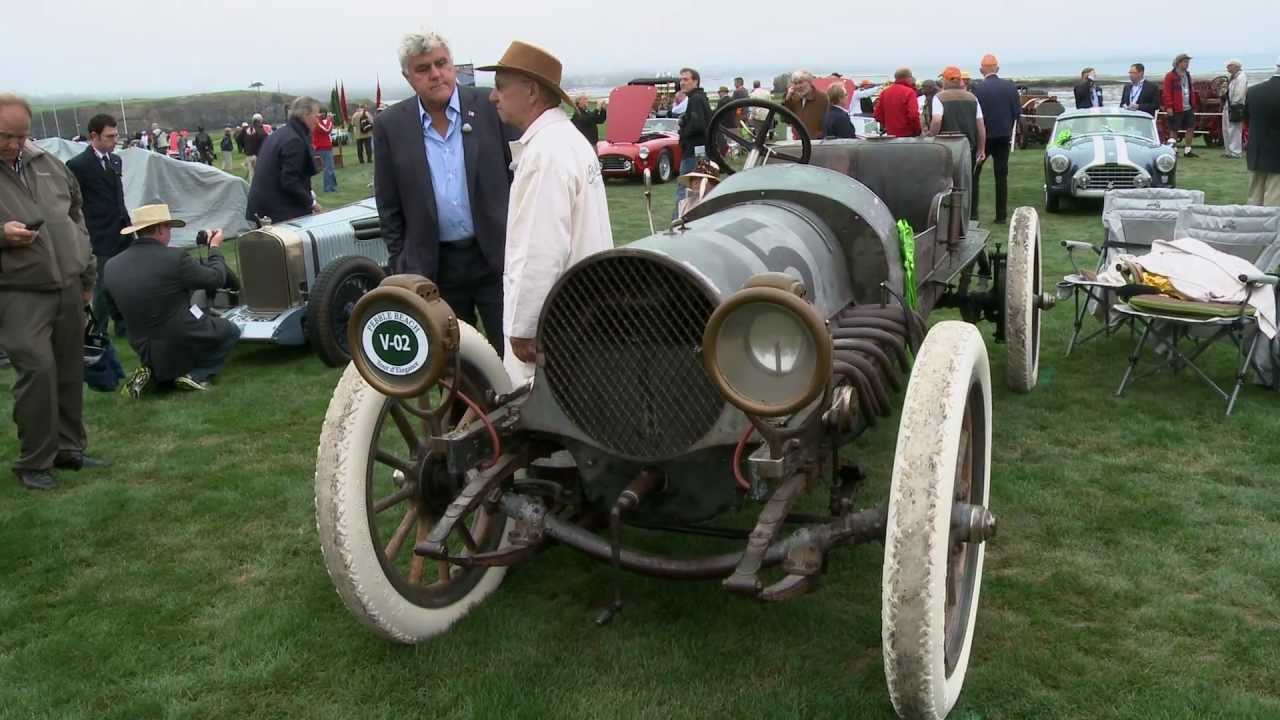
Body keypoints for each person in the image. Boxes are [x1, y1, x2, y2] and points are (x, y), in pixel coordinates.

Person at [481, 41, 612, 384]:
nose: (493, 97)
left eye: (500, 87)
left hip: (555, 325)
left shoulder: (544, 154)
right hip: (582, 313)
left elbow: (540, 249)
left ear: (531, 91)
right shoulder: (567, 140)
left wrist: (524, 328)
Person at [374, 30, 513, 353]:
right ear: (408, 77)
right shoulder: (391, 125)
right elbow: (388, 204)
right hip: (434, 268)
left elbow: (519, 176)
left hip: (496, 258)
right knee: (452, 367)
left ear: (453, 65)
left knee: (513, 359)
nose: (436, 74)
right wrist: (402, 262)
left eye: (442, 63)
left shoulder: (490, 106)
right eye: (423, 68)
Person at [0, 93, 107, 491]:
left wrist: (85, 275)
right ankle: (34, 459)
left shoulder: (47, 163)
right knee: (37, 371)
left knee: (68, 369)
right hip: (17, 290)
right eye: (4, 136)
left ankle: (69, 449)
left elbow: (75, 215)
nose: (13, 144)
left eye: (20, 135)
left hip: (68, 284)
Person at [105, 204, 240, 394]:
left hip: (141, 342)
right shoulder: (175, 257)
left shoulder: (111, 265)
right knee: (230, 330)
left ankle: (153, 373)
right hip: (179, 335)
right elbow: (215, 278)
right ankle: (198, 375)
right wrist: (215, 249)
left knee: (180, 330)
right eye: (169, 227)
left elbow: (116, 313)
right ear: (161, 228)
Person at [66, 113, 131, 338]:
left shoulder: (116, 160)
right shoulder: (77, 165)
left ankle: (122, 324)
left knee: (123, 282)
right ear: (94, 136)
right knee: (103, 285)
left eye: (116, 135)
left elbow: (118, 197)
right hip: (99, 235)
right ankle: (99, 331)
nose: (115, 141)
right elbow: (73, 203)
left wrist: (129, 225)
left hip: (123, 231)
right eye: (110, 136)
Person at [246, 97, 321, 225]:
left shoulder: (279, 134)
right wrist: (312, 203)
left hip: (263, 207)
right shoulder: (294, 140)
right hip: (278, 210)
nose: (318, 120)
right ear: (305, 115)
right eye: (316, 115)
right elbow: (290, 180)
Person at [971, 54, 1021, 224]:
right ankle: (1001, 216)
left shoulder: (978, 89)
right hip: (1003, 136)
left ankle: (973, 214)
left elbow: (975, 116)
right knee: (1001, 176)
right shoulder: (1010, 87)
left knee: (974, 174)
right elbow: (1016, 112)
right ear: (997, 69)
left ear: (981, 70)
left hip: (983, 138)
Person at [933, 67, 987, 171]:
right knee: (969, 181)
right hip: (968, 146)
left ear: (946, 80)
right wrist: (981, 149)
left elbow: (936, 120)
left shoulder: (939, 97)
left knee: (947, 181)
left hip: (945, 146)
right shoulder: (972, 98)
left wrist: (932, 138)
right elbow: (980, 125)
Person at [674, 67, 712, 214]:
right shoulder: (700, 97)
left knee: (685, 188)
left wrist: (683, 131)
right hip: (701, 151)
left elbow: (698, 125)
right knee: (700, 187)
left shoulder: (695, 99)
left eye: (686, 79)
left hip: (693, 152)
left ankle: (678, 220)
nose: (682, 82)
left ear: (695, 81)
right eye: (681, 79)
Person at [1245, 58, 1280, 206]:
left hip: (1256, 150)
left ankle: (1252, 227)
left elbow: (1246, 117)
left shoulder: (1253, 91)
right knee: (1274, 198)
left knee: (1254, 197)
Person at [1163, 54, 1199, 157]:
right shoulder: (1170, 76)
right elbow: (1166, 92)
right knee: (1174, 129)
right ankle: (1173, 149)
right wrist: (1169, 106)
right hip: (1176, 107)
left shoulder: (1187, 75)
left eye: (1188, 62)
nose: (1187, 64)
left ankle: (1188, 149)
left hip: (1188, 106)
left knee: (1190, 127)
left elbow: (1190, 89)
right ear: (1178, 63)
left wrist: (1194, 103)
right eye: (1185, 62)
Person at [873, 68, 922, 137]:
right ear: (907, 78)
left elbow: (877, 115)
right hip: (908, 135)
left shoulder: (885, 92)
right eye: (911, 77)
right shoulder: (909, 92)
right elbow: (913, 115)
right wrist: (918, 130)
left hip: (891, 135)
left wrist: (886, 126)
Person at [783, 69, 829, 140]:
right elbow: (786, 119)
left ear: (810, 82)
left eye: (801, 82)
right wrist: (787, 100)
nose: (798, 86)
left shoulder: (823, 98)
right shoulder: (794, 98)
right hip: (798, 142)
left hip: (817, 143)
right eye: (795, 83)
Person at [1223, 59, 1248, 159]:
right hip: (1228, 105)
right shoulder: (1232, 77)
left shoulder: (1241, 77)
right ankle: (1228, 151)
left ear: (1236, 66)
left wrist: (1235, 103)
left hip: (1235, 106)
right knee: (1226, 129)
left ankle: (1235, 152)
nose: (1227, 68)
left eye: (1229, 66)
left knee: (1235, 129)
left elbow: (1240, 92)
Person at [313, 109, 338, 193]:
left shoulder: (318, 122)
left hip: (324, 147)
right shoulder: (316, 122)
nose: (321, 115)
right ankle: (328, 188)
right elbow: (326, 130)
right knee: (328, 168)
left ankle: (333, 186)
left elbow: (327, 127)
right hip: (323, 147)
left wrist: (329, 120)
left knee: (330, 167)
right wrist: (329, 119)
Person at [243, 114, 266, 180]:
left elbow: (239, 138)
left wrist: (245, 147)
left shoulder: (246, 129)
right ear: (259, 121)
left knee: (251, 174)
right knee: (259, 173)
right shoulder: (260, 130)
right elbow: (266, 140)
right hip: (257, 154)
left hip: (249, 155)